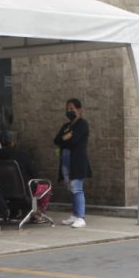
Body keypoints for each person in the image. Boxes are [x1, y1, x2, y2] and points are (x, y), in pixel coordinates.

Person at [54, 98, 92, 228]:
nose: (69, 111)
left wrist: (66, 138)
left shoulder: (82, 124)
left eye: (72, 109)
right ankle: (75, 215)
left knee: (77, 188)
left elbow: (74, 141)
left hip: (77, 161)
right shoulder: (66, 126)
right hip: (66, 161)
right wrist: (66, 137)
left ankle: (81, 217)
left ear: (79, 110)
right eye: (67, 109)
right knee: (70, 188)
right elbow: (57, 140)